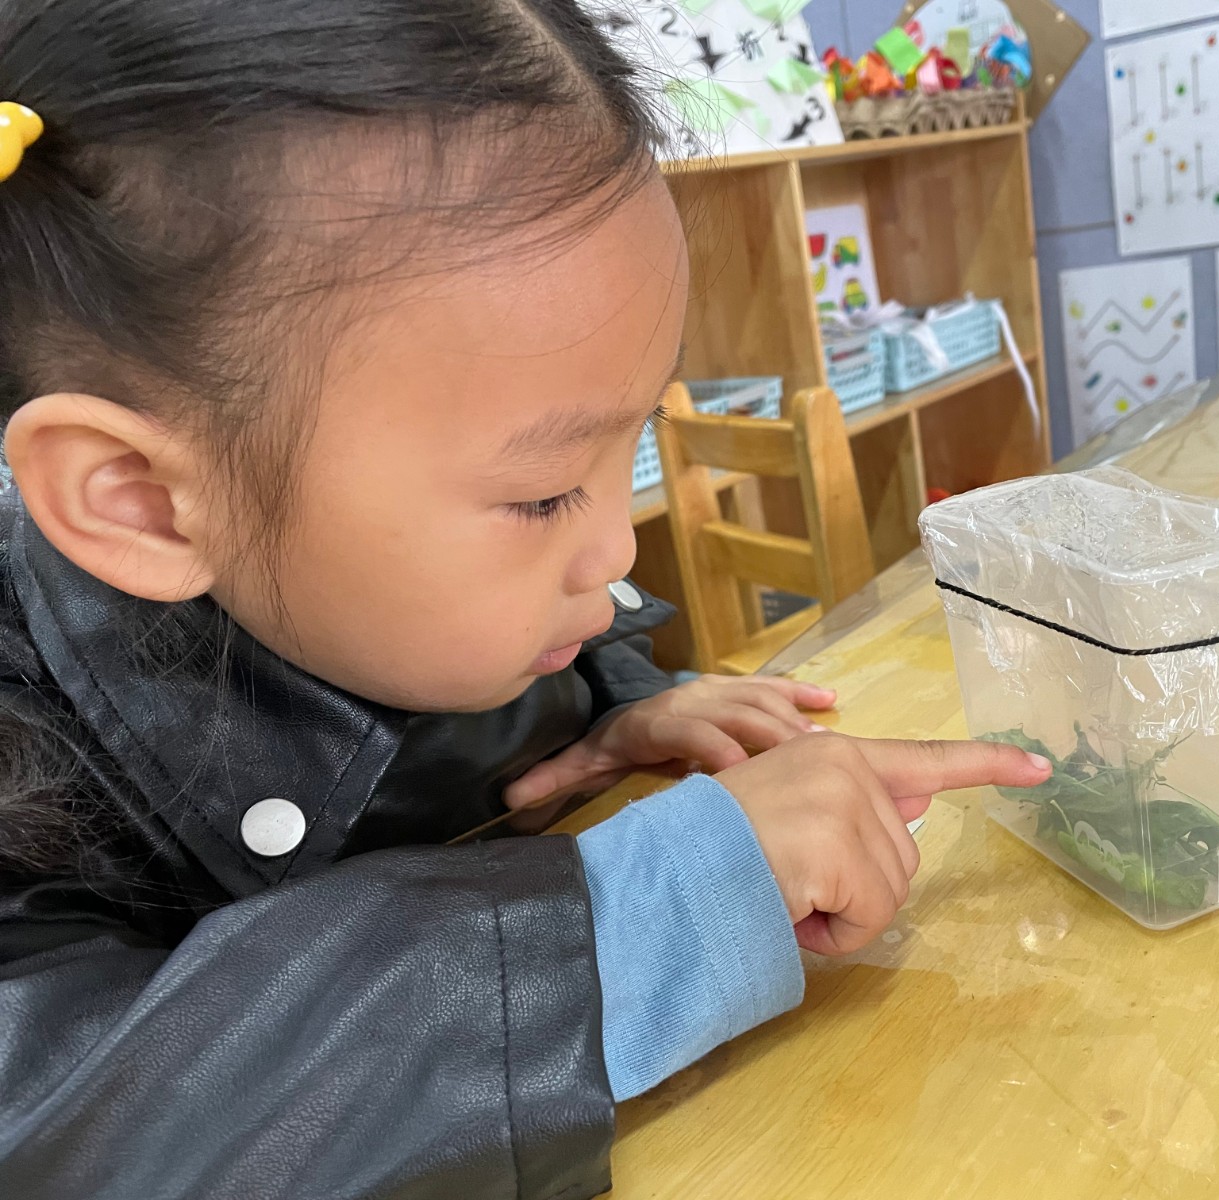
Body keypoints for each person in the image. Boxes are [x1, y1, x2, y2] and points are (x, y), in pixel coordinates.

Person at [0, 2, 1050, 1197]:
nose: (616, 546)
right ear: (144, 503)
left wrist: (622, 702)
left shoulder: (447, 592)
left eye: (640, 435)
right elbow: (64, 1136)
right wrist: (639, 916)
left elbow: (533, 679)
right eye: (545, 492)